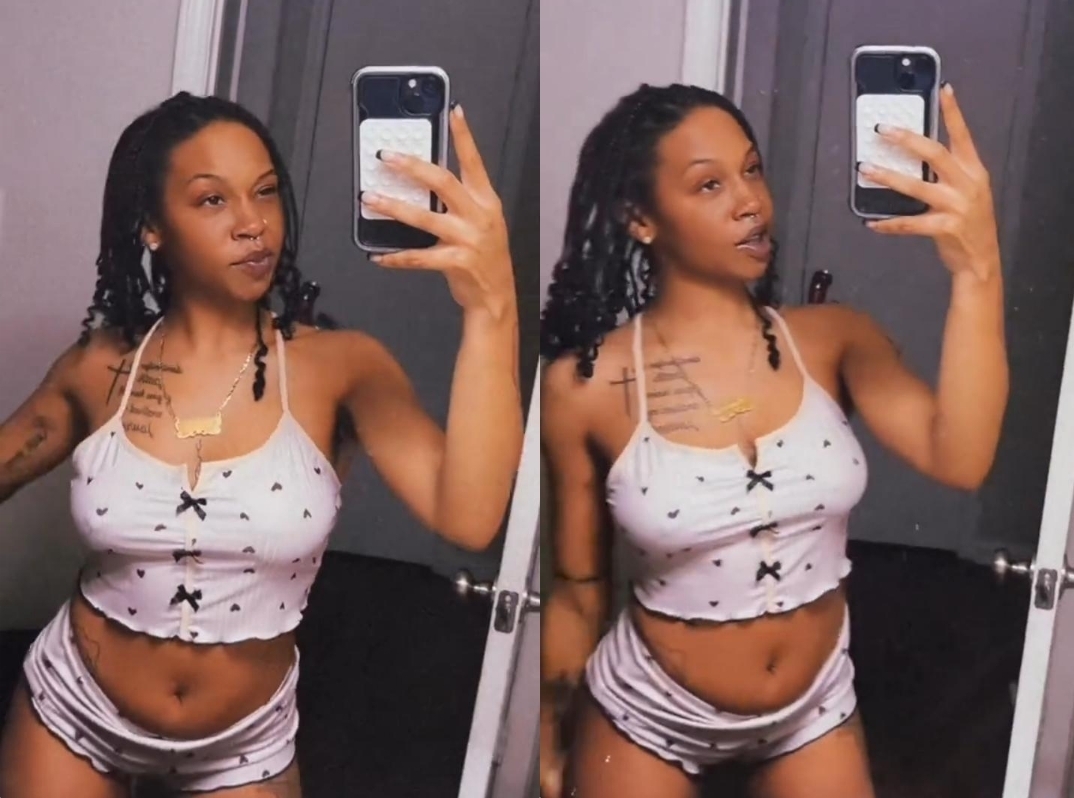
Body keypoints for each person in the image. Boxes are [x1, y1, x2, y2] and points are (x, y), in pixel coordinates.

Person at [0, 91, 523, 797]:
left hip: (243, 742)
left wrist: (492, 309)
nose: (253, 223)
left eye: (266, 192)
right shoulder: (99, 369)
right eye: (213, 199)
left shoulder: (342, 366)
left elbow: (473, 517)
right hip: (74, 711)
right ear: (152, 226)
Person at [538, 82, 1007, 798]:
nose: (750, 202)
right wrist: (552, 732)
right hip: (648, 710)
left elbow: (962, 458)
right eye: (710, 184)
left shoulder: (833, 339)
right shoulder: (584, 387)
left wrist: (977, 272)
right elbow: (577, 589)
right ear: (640, 218)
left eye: (752, 170)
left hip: (813, 708)